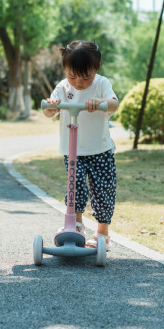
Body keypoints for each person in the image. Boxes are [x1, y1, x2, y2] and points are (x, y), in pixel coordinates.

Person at [43, 40, 119, 249]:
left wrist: (101, 103)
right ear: (65, 70)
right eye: (72, 76)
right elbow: (49, 111)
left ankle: (102, 233)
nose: (79, 83)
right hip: (72, 150)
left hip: (100, 149)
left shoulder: (101, 83)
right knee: (74, 188)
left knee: (103, 189)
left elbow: (114, 102)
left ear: (96, 69)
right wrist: (51, 106)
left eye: (86, 77)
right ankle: (75, 226)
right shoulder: (63, 86)